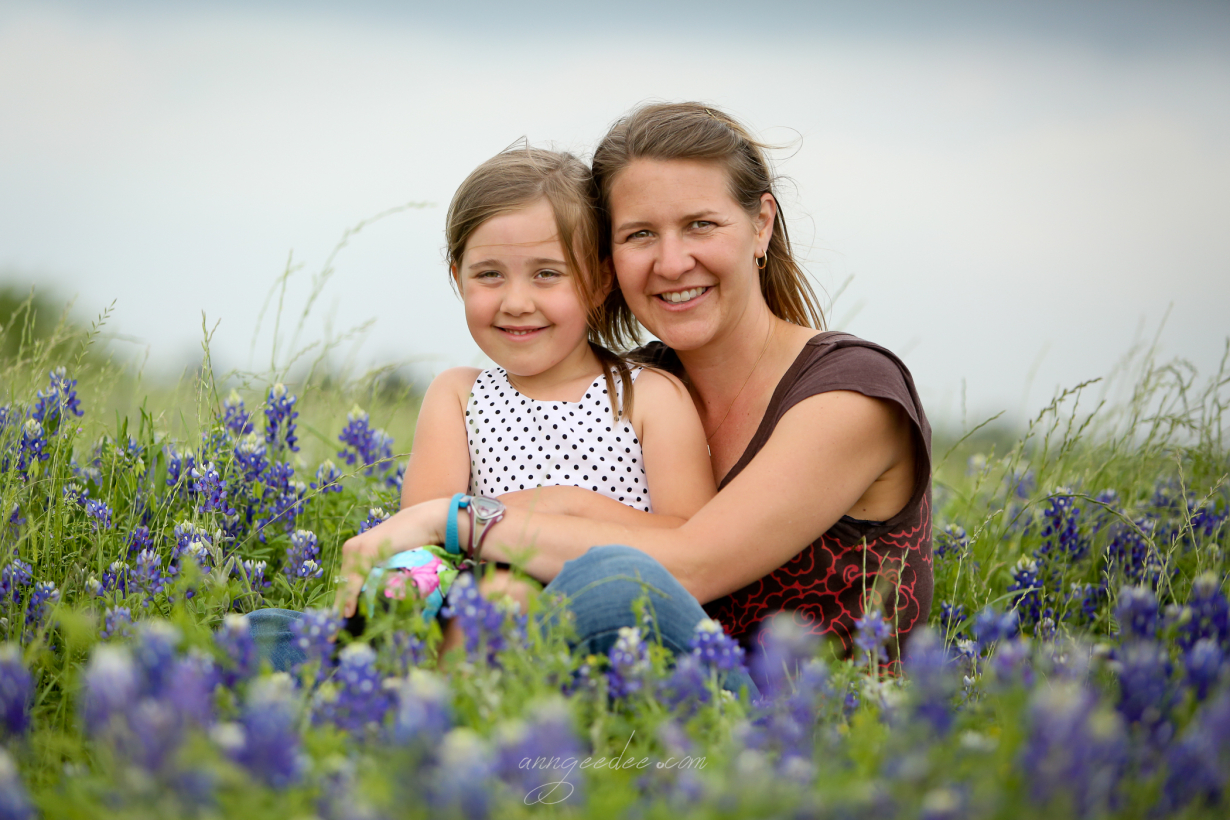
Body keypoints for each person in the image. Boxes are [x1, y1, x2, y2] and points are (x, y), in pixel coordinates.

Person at [336, 103, 933, 692]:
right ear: (608, 258)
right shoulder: (626, 380)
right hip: (611, 691)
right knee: (270, 633)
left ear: (761, 224)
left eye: (701, 224)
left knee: (615, 582)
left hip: (797, 726)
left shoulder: (852, 390)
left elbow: (685, 564)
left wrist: (465, 520)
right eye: (640, 234)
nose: (672, 262)